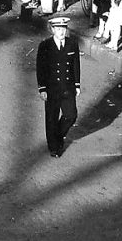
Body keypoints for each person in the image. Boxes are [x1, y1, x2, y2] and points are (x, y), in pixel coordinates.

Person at [36, 16, 81, 157]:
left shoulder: (72, 44)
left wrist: (77, 84)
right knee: (51, 118)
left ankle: (57, 135)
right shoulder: (45, 46)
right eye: (58, 29)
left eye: (63, 29)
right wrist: (42, 88)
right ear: (52, 29)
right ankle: (54, 148)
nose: (61, 32)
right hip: (51, 88)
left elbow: (75, 65)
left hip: (67, 87)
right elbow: (40, 68)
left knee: (71, 115)